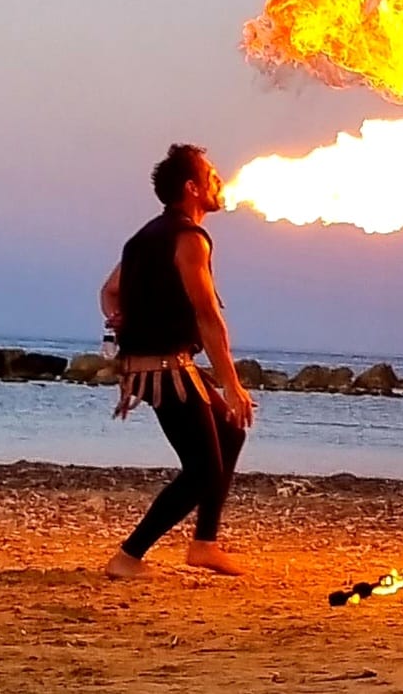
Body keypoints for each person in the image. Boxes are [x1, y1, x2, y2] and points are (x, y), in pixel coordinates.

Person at [99, 143, 254, 579]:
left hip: (162, 366)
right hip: (166, 372)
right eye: (211, 175)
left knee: (229, 434)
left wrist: (120, 317)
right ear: (192, 187)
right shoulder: (189, 238)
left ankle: (205, 544)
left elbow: (109, 290)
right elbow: (207, 316)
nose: (219, 182)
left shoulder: (146, 235)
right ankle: (128, 558)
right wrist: (231, 383)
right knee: (203, 471)